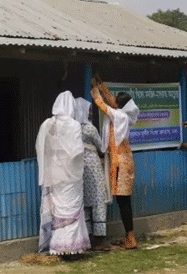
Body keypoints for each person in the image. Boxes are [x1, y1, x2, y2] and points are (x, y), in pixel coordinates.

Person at [36, 91, 91, 255]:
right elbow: (77, 151)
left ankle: (58, 246)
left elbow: (41, 148)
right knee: (72, 206)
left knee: (58, 209)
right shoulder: (74, 125)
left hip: (54, 173)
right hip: (71, 175)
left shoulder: (47, 124)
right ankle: (73, 246)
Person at [90, 75, 140, 249]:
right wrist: (101, 84)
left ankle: (131, 237)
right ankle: (129, 236)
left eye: (117, 102)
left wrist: (95, 90)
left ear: (120, 106)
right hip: (125, 161)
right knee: (124, 201)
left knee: (123, 201)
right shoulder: (125, 114)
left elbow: (103, 105)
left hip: (121, 163)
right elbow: (112, 101)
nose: (114, 103)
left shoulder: (119, 116)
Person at [73, 97, 109, 250]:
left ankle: (87, 236)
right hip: (93, 166)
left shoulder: (72, 128)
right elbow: (102, 148)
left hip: (78, 167)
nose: (91, 113)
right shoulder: (90, 128)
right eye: (89, 110)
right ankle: (99, 239)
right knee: (98, 199)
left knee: (85, 201)